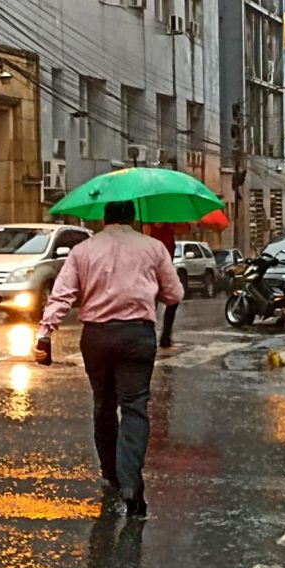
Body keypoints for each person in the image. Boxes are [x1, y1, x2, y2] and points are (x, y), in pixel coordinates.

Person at [35, 200, 184, 518]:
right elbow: (175, 295)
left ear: (105, 217)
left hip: (97, 337)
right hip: (137, 336)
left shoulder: (84, 250)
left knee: (103, 405)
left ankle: (111, 474)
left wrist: (45, 334)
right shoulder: (153, 247)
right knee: (135, 408)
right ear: (132, 217)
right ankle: (131, 483)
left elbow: (62, 295)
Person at [143, 222, 179, 349]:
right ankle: (148, 336)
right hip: (151, 271)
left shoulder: (170, 227)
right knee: (151, 305)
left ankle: (165, 336)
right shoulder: (148, 228)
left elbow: (185, 228)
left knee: (173, 300)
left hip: (166, 271)